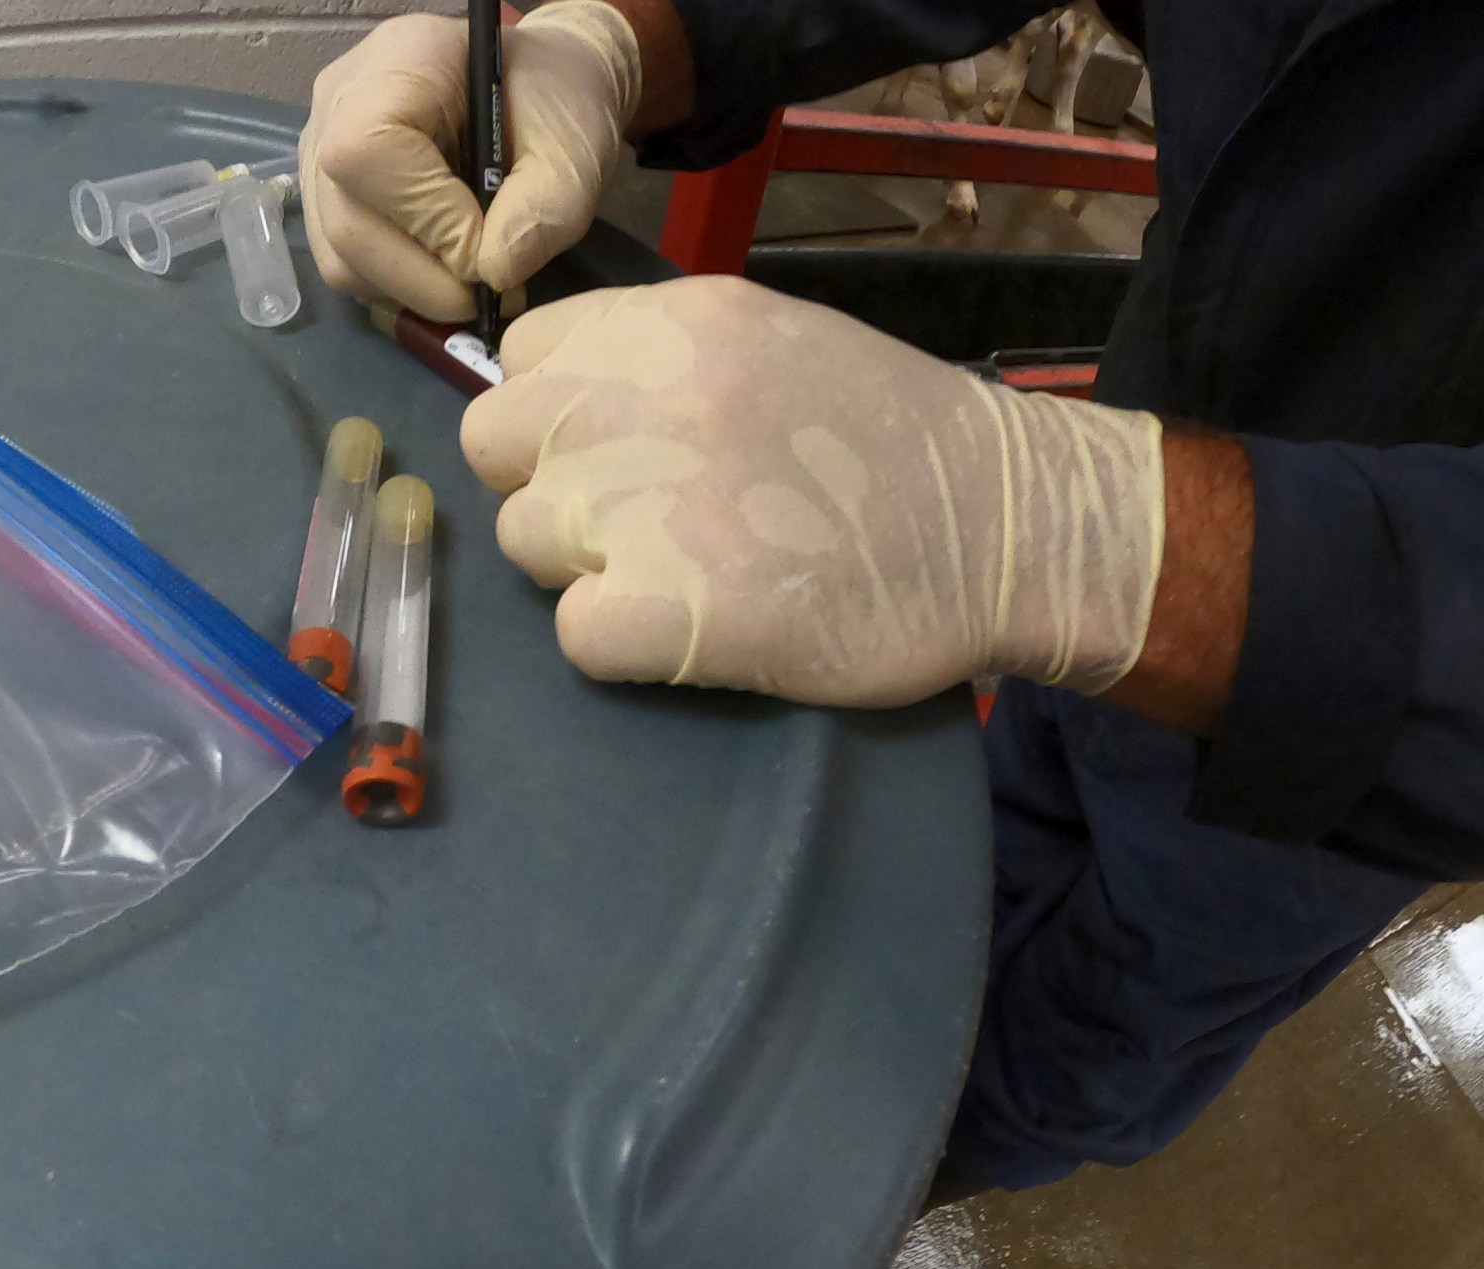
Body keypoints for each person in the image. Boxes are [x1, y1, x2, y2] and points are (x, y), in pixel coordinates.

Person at [300, 0, 1484, 1199]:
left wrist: (1106, 539)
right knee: (972, 847)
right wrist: (625, 39)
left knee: (1082, 1034)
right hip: (1157, 415)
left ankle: (812, 1221)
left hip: (1373, 719)